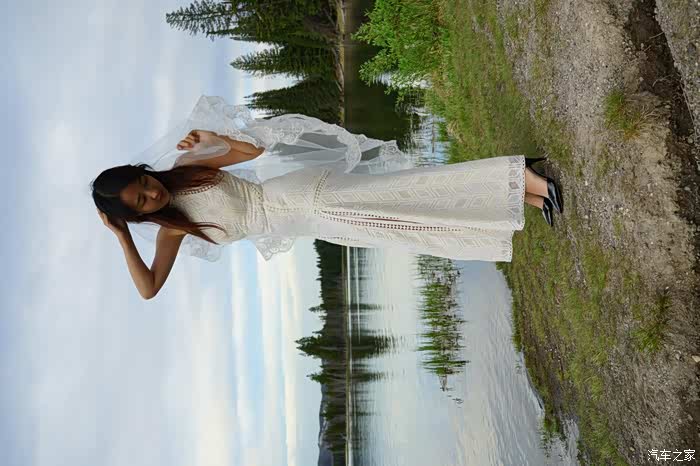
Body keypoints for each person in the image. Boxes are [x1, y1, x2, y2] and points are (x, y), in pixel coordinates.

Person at [92, 95, 563, 300]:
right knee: (407, 223)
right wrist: (121, 237)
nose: (151, 194)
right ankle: (519, 193)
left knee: (407, 200)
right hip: (310, 223)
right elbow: (148, 289)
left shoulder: (184, 169)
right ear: (135, 216)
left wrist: (216, 140)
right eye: (140, 203)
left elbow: (253, 153)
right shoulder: (172, 232)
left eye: (143, 183)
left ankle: (519, 176)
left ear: (143, 171)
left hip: (302, 197)